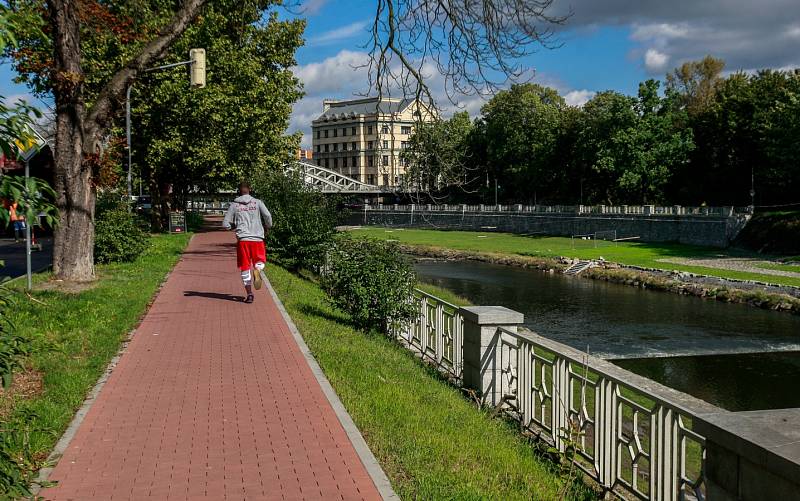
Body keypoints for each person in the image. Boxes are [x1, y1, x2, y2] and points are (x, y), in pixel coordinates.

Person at [222, 182, 273, 304]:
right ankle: (257, 270)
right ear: (250, 190)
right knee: (260, 261)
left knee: (245, 266)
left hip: (243, 240)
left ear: (239, 191)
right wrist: (268, 227)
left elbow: (225, 224)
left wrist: (233, 226)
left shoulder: (234, 205)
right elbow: (267, 216)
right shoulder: (258, 202)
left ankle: (249, 294)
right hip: (257, 239)